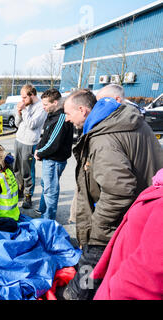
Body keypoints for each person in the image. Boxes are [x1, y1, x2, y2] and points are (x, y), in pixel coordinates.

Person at [60, 89, 163, 300]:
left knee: (89, 266)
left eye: (69, 114)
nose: (68, 120)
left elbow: (119, 189)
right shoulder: (123, 120)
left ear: (82, 109)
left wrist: (97, 224)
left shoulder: (103, 140)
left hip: (115, 221)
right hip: (141, 213)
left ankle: (77, 296)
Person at [91, 168, 163, 300]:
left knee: (87, 276)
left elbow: (121, 188)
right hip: (122, 251)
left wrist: (98, 224)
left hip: (101, 234)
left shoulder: (105, 146)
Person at [34, 89, 73, 220]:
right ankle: (43, 209)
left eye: (45, 104)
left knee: (50, 191)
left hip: (54, 160)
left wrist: (40, 152)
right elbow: (45, 136)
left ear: (55, 102)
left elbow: (53, 143)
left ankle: (48, 219)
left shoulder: (60, 118)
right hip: (49, 159)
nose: (43, 107)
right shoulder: (52, 116)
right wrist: (38, 149)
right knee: (46, 185)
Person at [13, 84, 47, 209]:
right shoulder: (25, 106)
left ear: (32, 95)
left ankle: (28, 195)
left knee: (28, 171)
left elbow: (32, 124)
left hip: (30, 142)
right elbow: (17, 124)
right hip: (19, 139)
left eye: (24, 98)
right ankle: (19, 191)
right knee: (17, 169)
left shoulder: (41, 108)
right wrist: (18, 112)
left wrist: (24, 110)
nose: (22, 101)